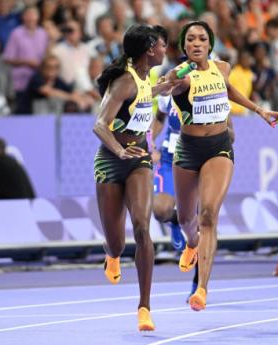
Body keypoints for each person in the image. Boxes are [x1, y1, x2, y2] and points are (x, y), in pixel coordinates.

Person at [164, 21, 278, 311]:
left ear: (209, 43)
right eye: (190, 39)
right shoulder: (180, 76)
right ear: (183, 46)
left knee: (208, 215)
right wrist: (166, 80)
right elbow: (167, 85)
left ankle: (202, 289)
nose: (195, 43)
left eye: (201, 38)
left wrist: (259, 110)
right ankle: (191, 245)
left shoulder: (223, 68)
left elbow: (228, 89)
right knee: (185, 220)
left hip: (218, 147)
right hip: (187, 150)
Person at [93, 24, 181, 332]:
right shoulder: (123, 82)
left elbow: (144, 95)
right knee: (116, 242)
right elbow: (100, 125)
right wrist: (118, 150)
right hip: (111, 160)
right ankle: (112, 255)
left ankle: (144, 307)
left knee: (143, 227)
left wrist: (165, 87)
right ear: (148, 50)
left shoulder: (145, 78)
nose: (164, 49)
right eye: (161, 45)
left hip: (140, 158)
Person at [151, 94, 235, 302]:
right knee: (160, 210)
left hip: (203, 159)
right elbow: (159, 117)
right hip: (172, 158)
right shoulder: (169, 92)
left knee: (203, 222)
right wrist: (150, 144)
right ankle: (177, 222)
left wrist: (211, 134)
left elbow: (231, 134)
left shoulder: (214, 94)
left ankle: (198, 286)